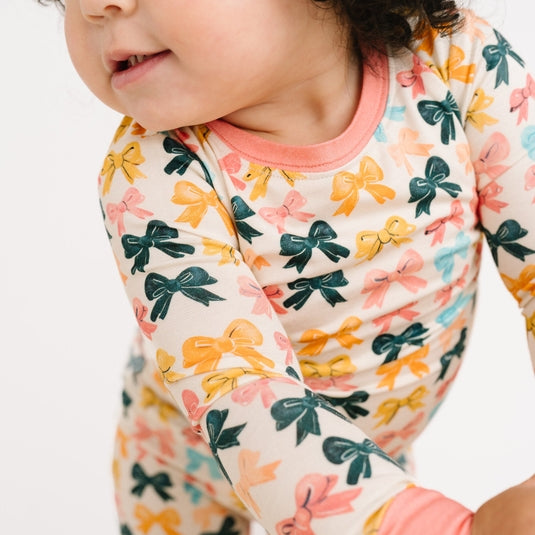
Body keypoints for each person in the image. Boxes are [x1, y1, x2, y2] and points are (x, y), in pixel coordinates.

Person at [40, 0, 535, 533]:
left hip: (367, 468)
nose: (93, 6)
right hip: (185, 473)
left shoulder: (457, 62)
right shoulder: (150, 177)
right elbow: (243, 395)